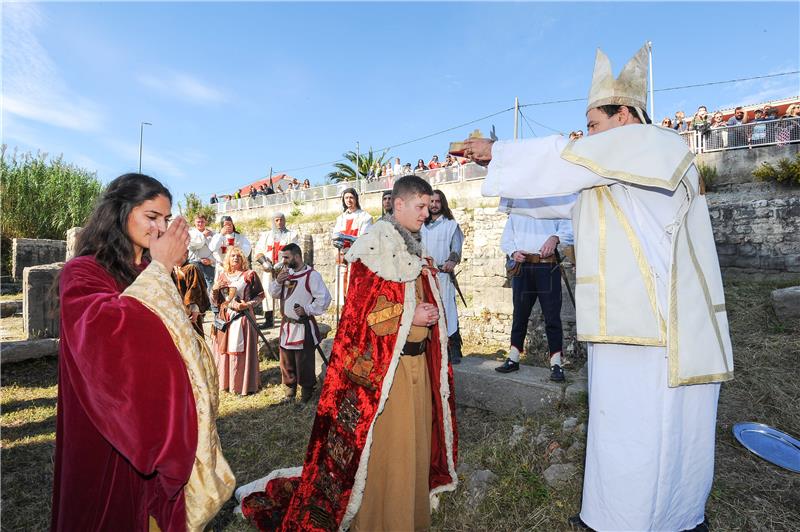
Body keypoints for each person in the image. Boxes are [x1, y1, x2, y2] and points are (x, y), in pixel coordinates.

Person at [463, 44, 733, 532]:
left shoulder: (655, 146)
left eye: (592, 124)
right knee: (621, 430)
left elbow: (568, 164)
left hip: (656, 329)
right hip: (632, 325)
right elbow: (562, 197)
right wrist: (500, 172)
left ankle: (652, 521)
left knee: (647, 432)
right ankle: (614, 517)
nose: (587, 136)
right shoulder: (621, 171)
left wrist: (498, 152)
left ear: (625, 115)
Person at [236, 174, 458, 531]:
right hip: (389, 375)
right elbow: (363, 315)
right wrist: (408, 315)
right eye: (419, 206)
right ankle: (379, 521)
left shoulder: (413, 246)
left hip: (417, 367)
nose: (426, 214)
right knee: (389, 451)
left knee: (413, 449)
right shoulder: (374, 247)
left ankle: (411, 517)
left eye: (427, 207)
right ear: (398, 204)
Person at [52, 173, 234, 531]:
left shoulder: (146, 273)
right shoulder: (83, 271)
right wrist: (161, 267)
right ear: (120, 213)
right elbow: (107, 341)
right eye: (152, 216)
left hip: (154, 417)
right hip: (107, 427)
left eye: (166, 219)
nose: (160, 228)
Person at [495, 193, 574, 382]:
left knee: (552, 315)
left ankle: (556, 363)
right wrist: (513, 251)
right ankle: (513, 358)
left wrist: (555, 238)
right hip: (523, 268)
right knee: (520, 314)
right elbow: (506, 238)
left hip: (547, 266)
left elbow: (569, 230)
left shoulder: (555, 202)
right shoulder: (517, 207)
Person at [268, 243, 332, 403]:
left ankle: (306, 395)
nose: (283, 261)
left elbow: (324, 299)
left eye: (286, 257)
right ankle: (289, 393)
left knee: (304, 361)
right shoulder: (286, 274)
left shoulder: (312, 276)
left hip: (302, 326)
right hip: (287, 325)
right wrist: (277, 281)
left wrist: (307, 309)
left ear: (297, 257)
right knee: (286, 360)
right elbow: (274, 294)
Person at [212, 246, 265, 395]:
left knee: (240, 351)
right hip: (226, 318)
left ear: (243, 259)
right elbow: (216, 301)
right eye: (232, 256)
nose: (235, 258)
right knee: (226, 350)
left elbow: (260, 295)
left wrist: (247, 305)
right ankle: (226, 383)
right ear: (228, 259)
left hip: (243, 318)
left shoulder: (249, 275)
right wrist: (215, 289)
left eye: (238, 256)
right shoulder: (223, 276)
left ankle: (243, 384)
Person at [421, 189, 465, 364]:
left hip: (443, 276)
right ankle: (429, 347)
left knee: (448, 311)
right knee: (427, 311)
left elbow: (456, 247)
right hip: (424, 275)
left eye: (437, 201)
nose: (434, 205)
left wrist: (451, 262)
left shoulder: (450, 225)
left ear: (442, 203)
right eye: (431, 202)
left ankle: (453, 348)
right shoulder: (420, 225)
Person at [254, 212, 299, 328]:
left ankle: (286, 317)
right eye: (277, 220)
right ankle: (269, 320)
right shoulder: (266, 236)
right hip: (268, 270)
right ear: (273, 221)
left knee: (285, 292)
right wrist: (264, 263)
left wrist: (282, 263)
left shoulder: (291, 235)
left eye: (281, 220)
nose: (279, 222)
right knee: (268, 293)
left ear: (285, 221)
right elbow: (258, 251)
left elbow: (294, 251)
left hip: (285, 269)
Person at [332, 188, 373, 305]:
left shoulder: (365, 217)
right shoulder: (340, 219)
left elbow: (365, 239)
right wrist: (337, 246)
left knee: (357, 293)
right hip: (343, 258)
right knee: (342, 292)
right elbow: (335, 237)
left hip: (358, 259)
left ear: (356, 199)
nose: (348, 200)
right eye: (346, 198)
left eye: (351, 197)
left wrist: (345, 238)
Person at [172, 258, 211, 336]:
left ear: (185, 254)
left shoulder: (191, 268)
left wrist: (194, 309)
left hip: (188, 311)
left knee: (193, 337)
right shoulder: (171, 269)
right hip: (174, 311)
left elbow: (194, 289)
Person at [209, 215, 252, 279]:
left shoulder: (240, 236)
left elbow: (247, 250)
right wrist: (221, 235)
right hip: (222, 267)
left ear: (233, 225)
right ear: (222, 226)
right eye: (225, 225)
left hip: (236, 267)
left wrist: (237, 249)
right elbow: (213, 248)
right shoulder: (217, 236)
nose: (228, 226)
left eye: (230, 224)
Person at [188, 213, 217, 303]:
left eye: (202, 222)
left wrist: (211, 261)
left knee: (211, 284)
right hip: (195, 262)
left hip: (209, 263)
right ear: (194, 222)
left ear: (206, 222)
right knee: (195, 285)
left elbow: (215, 250)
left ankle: (212, 306)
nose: (200, 224)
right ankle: (197, 307)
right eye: (198, 222)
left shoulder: (212, 234)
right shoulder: (190, 233)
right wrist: (203, 236)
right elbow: (193, 246)